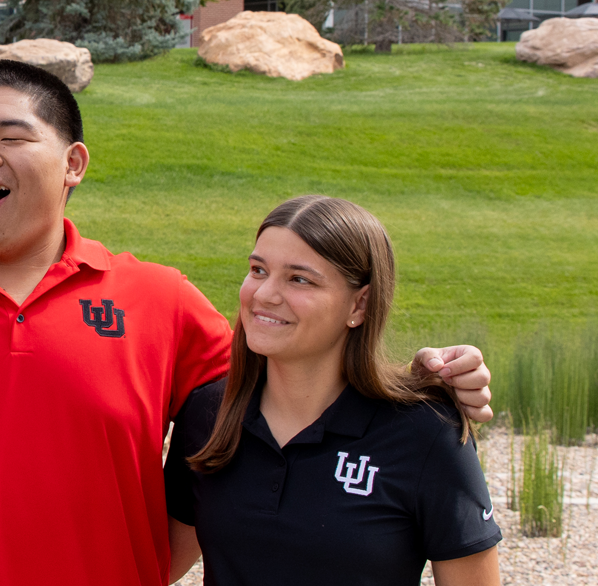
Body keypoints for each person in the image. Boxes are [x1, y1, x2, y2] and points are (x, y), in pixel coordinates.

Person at [0, 60, 496, 586]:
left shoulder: (159, 300)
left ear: (73, 164)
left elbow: (295, 366)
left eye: (10, 137)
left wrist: (425, 378)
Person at [164, 195, 500, 585]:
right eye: (258, 270)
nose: (264, 294)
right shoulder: (208, 415)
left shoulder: (425, 433)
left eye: (299, 279)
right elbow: (155, 565)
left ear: (360, 304)